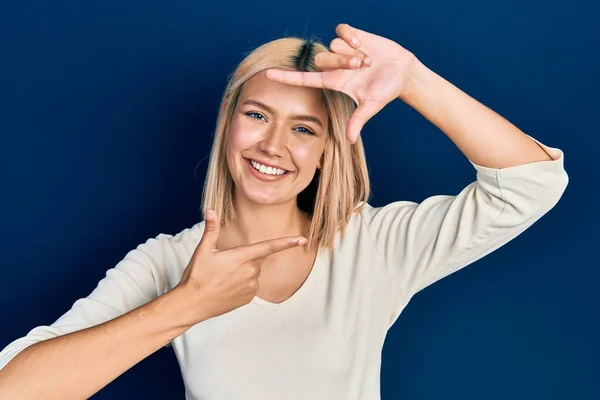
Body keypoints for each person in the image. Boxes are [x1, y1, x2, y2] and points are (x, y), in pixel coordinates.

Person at [0, 23, 568, 400]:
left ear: (328, 150)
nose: (273, 145)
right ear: (229, 124)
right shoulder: (166, 263)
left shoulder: (373, 246)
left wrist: (413, 80)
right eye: (256, 115)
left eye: (303, 128)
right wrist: (188, 304)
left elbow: (530, 185)